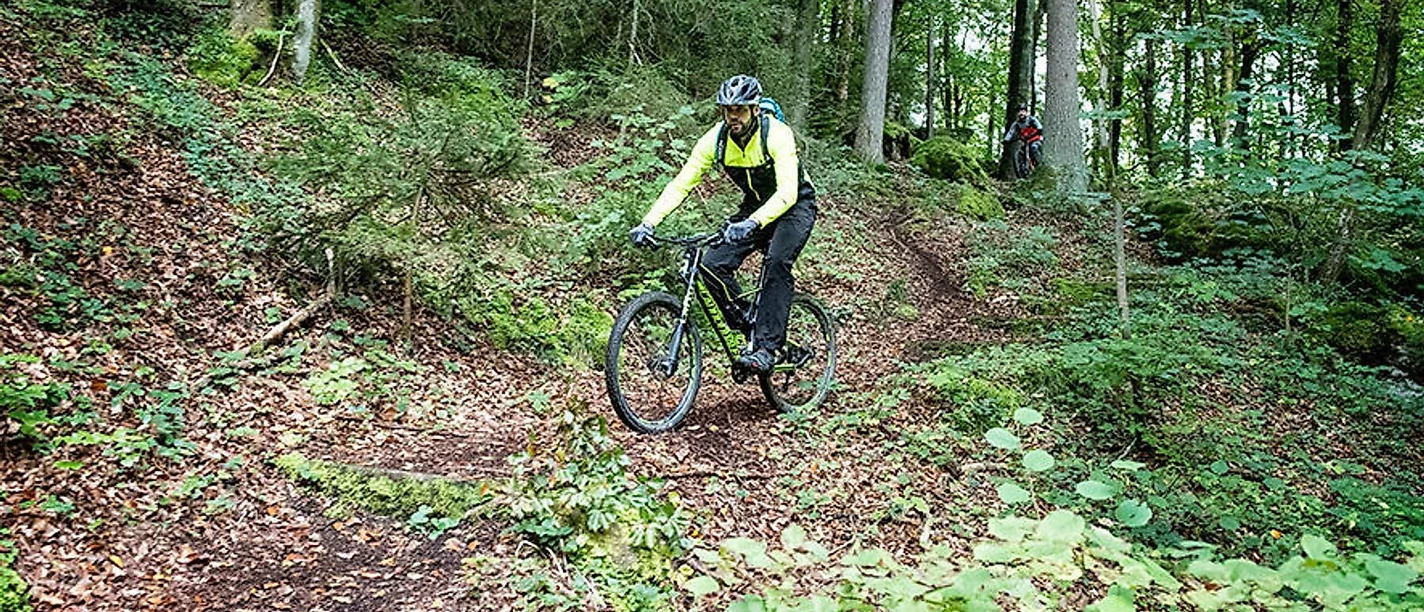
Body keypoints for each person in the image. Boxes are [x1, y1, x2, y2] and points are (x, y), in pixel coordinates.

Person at [628, 74, 817, 375]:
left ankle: (768, 348)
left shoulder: (777, 134)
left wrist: (753, 223)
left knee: (777, 262)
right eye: (727, 109)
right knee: (711, 264)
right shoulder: (715, 140)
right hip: (754, 208)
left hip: (795, 206)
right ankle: (749, 324)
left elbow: (788, 192)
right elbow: (681, 184)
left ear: (755, 109)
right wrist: (648, 222)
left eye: (740, 109)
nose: (733, 116)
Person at [1003, 103, 1043, 176]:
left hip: (1035, 139)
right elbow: (1011, 132)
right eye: (1019, 111)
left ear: (1026, 112)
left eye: (1023, 111)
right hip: (1026, 141)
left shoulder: (1031, 119)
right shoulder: (1016, 124)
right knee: (1022, 152)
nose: (1021, 113)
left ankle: (1040, 165)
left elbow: (1039, 127)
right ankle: (1023, 171)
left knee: (1034, 148)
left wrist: (1039, 130)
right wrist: (1006, 140)